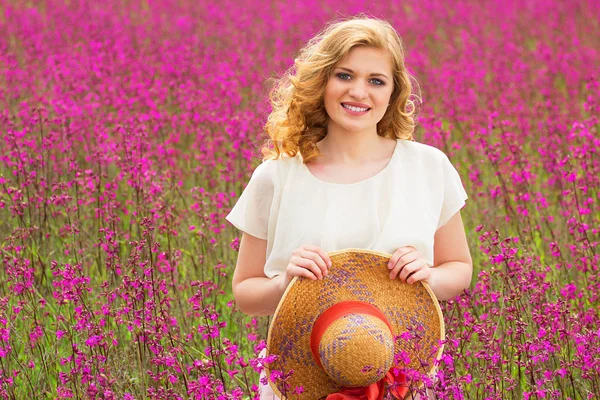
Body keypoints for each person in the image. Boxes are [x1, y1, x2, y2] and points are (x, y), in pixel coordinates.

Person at [225, 15, 473, 400]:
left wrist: (430, 279)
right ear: (321, 81)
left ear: (393, 93)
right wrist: (282, 283)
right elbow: (244, 292)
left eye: (376, 80)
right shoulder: (276, 176)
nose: (359, 92)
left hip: (405, 380)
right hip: (300, 380)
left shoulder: (428, 167)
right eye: (344, 75)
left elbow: (459, 267)